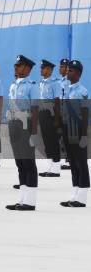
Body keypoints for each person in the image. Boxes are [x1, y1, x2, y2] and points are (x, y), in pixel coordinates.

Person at [6, 55, 41, 211]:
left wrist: (34, 133)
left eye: (19, 66)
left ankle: (30, 201)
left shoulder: (32, 86)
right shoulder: (14, 85)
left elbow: (35, 110)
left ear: (27, 69)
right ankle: (22, 198)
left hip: (26, 127)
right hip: (14, 126)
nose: (16, 68)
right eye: (15, 65)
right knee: (20, 163)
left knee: (28, 163)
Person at [60, 60, 89, 207]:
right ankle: (75, 193)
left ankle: (82, 197)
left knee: (81, 162)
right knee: (72, 161)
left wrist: (84, 135)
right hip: (67, 129)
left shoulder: (82, 91)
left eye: (70, 70)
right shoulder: (66, 88)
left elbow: (85, 115)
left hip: (77, 130)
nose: (67, 72)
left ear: (77, 73)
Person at [37, 60, 62, 178]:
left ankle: (56, 168)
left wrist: (57, 119)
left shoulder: (55, 83)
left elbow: (57, 101)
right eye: (41, 68)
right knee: (46, 141)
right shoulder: (41, 83)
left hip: (51, 115)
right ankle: (50, 166)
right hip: (43, 114)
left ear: (50, 70)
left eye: (44, 68)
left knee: (53, 140)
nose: (42, 70)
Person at [58, 58, 71, 171]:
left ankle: (70, 160)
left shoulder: (69, 82)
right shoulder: (60, 81)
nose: (59, 68)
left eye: (62, 66)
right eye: (60, 66)